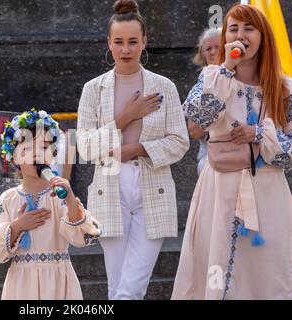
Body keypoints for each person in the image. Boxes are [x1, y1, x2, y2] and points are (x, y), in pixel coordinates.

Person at [172, 4, 292, 299]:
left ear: (263, 36)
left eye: (248, 28)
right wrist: (225, 69)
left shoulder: (283, 88)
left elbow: (289, 151)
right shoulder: (214, 77)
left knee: (267, 272)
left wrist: (260, 134)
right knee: (216, 268)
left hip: (267, 193)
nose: (240, 35)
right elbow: (198, 119)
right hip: (220, 190)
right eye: (234, 29)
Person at [76, 0, 189, 300]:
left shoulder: (164, 86)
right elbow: (85, 147)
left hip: (154, 187)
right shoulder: (93, 89)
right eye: (119, 42)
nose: (125, 50)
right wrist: (127, 116)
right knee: (119, 287)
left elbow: (180, 141)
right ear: (109, 44)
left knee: (133, 285)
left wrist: (136, 149)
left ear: (144, 43)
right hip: (109, 189)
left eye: (132, 42)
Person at [0, 109, 101, 300]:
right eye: (27, 149)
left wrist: (71, 200)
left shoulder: (60, 194)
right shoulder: (8, 198)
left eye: (44, 148)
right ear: (14, 157)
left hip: (58, 283)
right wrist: (18, 226)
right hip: (21, 286)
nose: (37, 155)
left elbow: (82, 237)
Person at [189, 28, 221, 175]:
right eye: (208, 48)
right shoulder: (200, 86)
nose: (213, 52)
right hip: (210, 161)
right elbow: (194, 131)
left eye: (218, 46)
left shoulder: (248, 81)